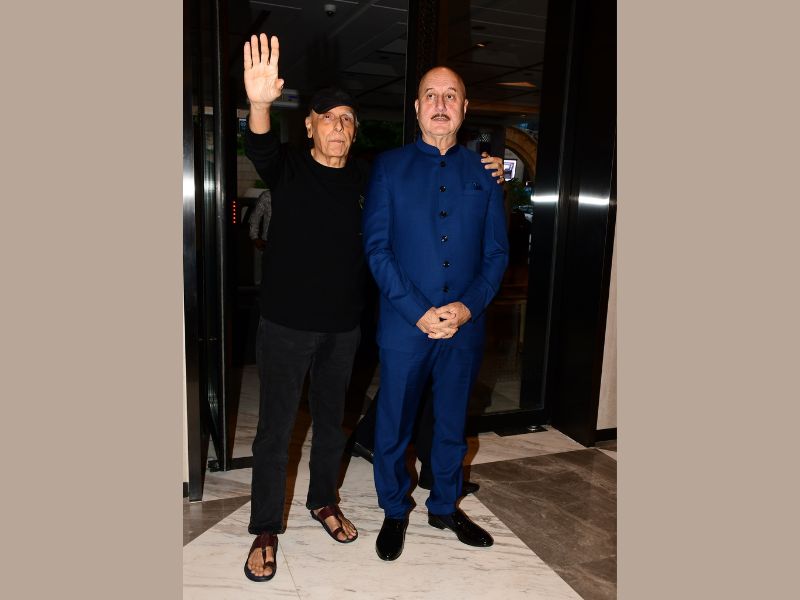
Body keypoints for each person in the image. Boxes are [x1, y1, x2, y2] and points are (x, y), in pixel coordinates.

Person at [240, 34, 505, 582]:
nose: (338, 127)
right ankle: (279, 525)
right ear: (309, 126)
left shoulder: (389, 172)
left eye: (347, 119)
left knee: (347, 426)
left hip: (349, 327)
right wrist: (260, 104)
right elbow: (264, 151)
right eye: (327, 118)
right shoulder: (311, 169)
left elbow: (482, 240)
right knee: (283, 429)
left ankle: (350, 502)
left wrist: (493, 169)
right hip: (305, 323)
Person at [362, 66, 510, 561]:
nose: (440, 104)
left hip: (464, 328)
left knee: (451, 424)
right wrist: (417, 312)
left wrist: (468, 307)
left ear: (464, 109)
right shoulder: (388, 167)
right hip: (405, 326)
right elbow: (377, 249)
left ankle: (445, 506)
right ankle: (394, 509)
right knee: (394, 424)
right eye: (431, 95)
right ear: (417, 107)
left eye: (451, 96)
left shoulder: (485, 174)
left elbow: (497, 253)